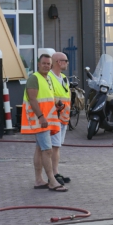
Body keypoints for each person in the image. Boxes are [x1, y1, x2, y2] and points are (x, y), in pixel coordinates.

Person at [20, 54, 67, 192]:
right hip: (40, 120)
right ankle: (52, 181)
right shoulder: (34, 78)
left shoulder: (48, 79)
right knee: (47, 150)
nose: (46, 66)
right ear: (38, 64)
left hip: (46, 120)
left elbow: (47, 98)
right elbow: (32, 99)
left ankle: (39, 180)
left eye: (48, 64)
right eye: (44, 63)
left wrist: (57, 105)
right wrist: (41, 117)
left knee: (40, 149)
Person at [49, 52, 71, 186]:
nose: (67, 63)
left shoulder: (63, 78)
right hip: (54, 117)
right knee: (53, 147)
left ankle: (55, 172)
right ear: (58, 62)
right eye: (66, 60)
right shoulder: (49, 78)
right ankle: (53, 174)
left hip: (63, 118)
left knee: (57, 147)